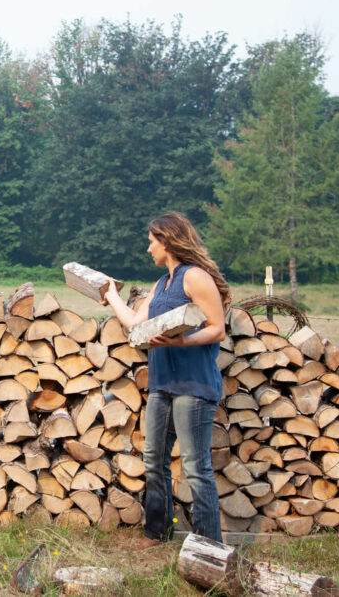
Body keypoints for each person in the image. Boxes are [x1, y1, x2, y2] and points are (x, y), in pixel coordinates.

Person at [101, 211, 230, 548]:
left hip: (193, 384)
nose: (148, 249)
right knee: (154, 460)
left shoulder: (196, 278)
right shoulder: (161, 286)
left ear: (168, 241)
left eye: (151, 242)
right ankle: (157, 532)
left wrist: (182, 341)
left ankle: (208, 546)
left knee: (195, 467)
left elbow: (217, 328)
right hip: (162, 384)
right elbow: (133, 322)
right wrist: (111, 293)